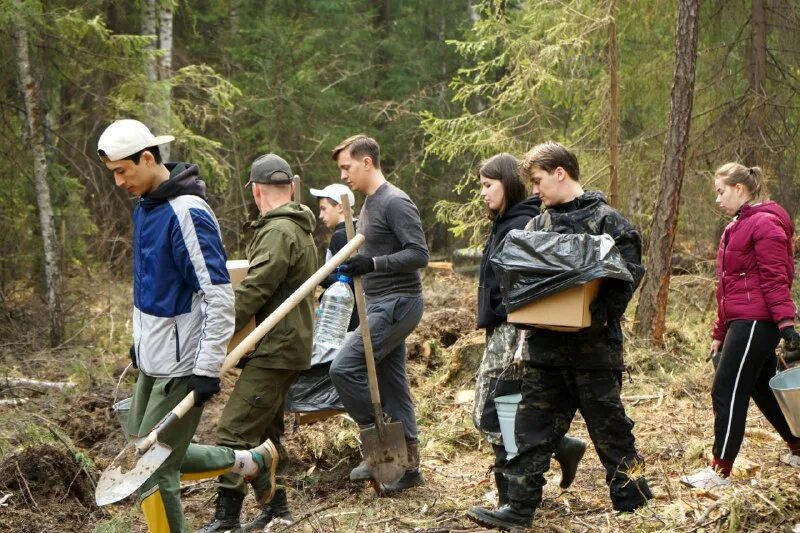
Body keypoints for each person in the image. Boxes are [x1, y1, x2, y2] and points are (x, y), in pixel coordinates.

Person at [468, 142, 652, 530]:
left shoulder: (609, 222)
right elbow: (517, 281)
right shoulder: (538, 225)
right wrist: (528, 315)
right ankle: (518, 510)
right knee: (529, 432)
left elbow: (628, 277)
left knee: (612, 432)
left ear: (560, 173)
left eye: (537, 181)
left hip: (594, 352)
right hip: (544, 351)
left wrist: (593, 315)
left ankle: (636, 504)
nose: (534, 190)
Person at [97, 119, 235, 532]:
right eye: (114, 174)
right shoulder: (147, 207)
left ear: (147, 158)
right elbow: (152, 286)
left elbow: (218, 296)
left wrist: (206, 369)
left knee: (152, 473)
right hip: (152, 360)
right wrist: (140, 343)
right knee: (146, 453)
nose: (119, 182)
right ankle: (252, 461)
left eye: (124, 171)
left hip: (182, 366)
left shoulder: (186, 212)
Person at [182, 153, 318, 532]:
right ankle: (277, 507)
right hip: (284, 345)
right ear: (290, 188)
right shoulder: (297, 226)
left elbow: (255, 289)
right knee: (265, 432)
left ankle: (226, 518)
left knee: (232, 432)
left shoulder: (278, 231)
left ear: (256, 191)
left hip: (276, 347)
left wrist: (215, 331)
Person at [472, 153, 586, 509]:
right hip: (500, 327)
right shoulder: (504, 222)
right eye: (482, 186)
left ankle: (522, 484)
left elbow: (524, 285)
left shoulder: (521, 225)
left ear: (508, 183)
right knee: (504, 410)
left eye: (489, 185)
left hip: (513, 328)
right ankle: (526, 482)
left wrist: (516, 329)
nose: (484, 193)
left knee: (491, 412)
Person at [680, 163, 800, 490]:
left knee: (727, 389)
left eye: (721, 192)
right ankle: (799, 446)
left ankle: (719, 471)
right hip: (742, 321)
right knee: (762, 386)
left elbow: (777, 279)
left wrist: (787, 324)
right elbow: (727, 287)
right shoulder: (738, 225)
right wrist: (720, 333)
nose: (718, 200)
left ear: (740, 189)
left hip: (757, 322)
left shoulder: (765, 224)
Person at [328, 134, 429, 493]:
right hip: (380, 303)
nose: (343, 175)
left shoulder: (394, 201)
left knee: (343, 367)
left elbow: (419, 254)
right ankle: (409, 468)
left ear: (367, 162)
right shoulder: (370, 204)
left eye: (347, 166)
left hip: (399, 302)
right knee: (393, 383)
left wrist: (372, 263)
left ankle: (381, 444)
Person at [309, 183, 359, 331]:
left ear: (340, 207)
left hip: (347, 316)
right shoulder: (360, 228)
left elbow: (348, 279)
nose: (320, 215)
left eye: (324, 209)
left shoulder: (340, 236)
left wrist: (321, 278)